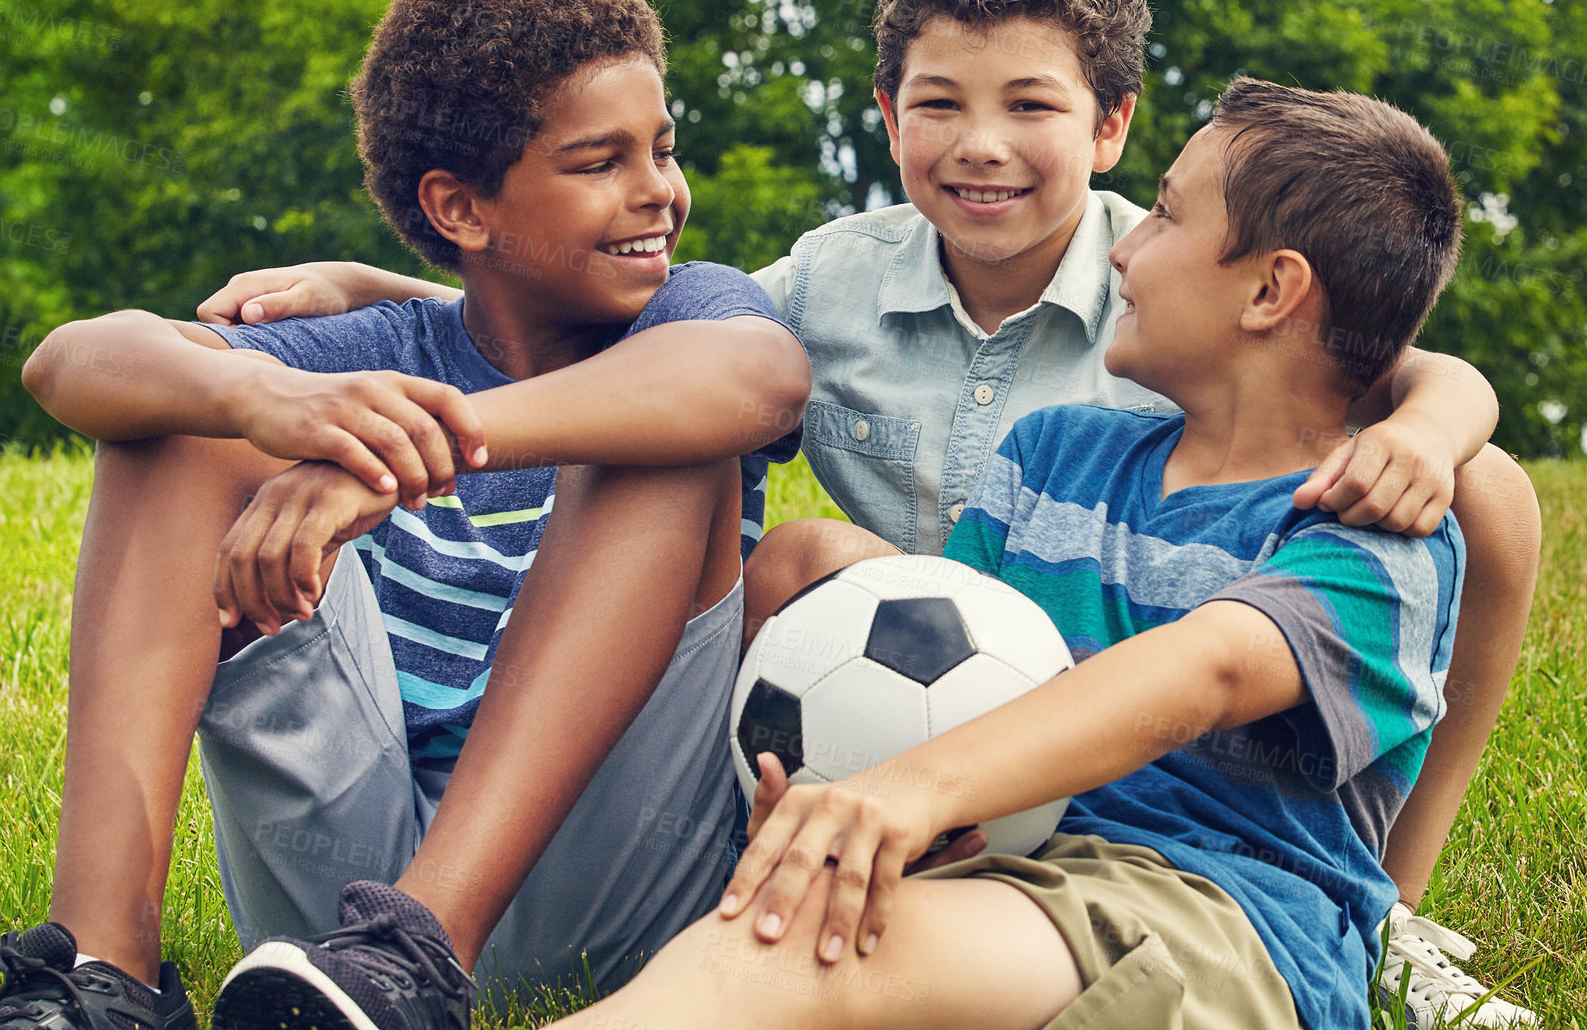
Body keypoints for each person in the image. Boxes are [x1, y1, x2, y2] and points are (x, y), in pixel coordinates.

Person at [199, 0, 1541, 1025]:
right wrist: (412, 296)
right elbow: (653, 347)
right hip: (997, 790)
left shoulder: (1337, 483)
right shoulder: (1014, 417)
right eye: (938, 102)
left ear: (1112, 130)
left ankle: (1382, 913)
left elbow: (1205, 657)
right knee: (796, 597)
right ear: (887, 112)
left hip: (1192, 876)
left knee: (805, 943)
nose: (981, 143)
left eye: (1031, 105)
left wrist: (1430, 419)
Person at [537, 74, 1480, 1030]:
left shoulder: (1372, 540)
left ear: (1271, 290)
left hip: (1211, 920)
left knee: (798, 953)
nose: (1124, 248)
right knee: (780, 934)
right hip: (1004, 880)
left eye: (1161, 217)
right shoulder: (1053, 456)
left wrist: (905, 793)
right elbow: (961, 684)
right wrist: (903, 806)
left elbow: (1213, 669)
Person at [1, 0, 809, 1030]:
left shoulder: (690, 311)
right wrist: (260, 402)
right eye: (599, 162)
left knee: (661, 437)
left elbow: (753, 378)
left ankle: (424, 942)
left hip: (611, 880)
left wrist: (404, 453)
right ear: (459, 209)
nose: (658, 190)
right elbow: (68, 363)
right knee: (177, 422)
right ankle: (103, 969)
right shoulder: (383, 346)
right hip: (337, 917)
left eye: (662, 148)